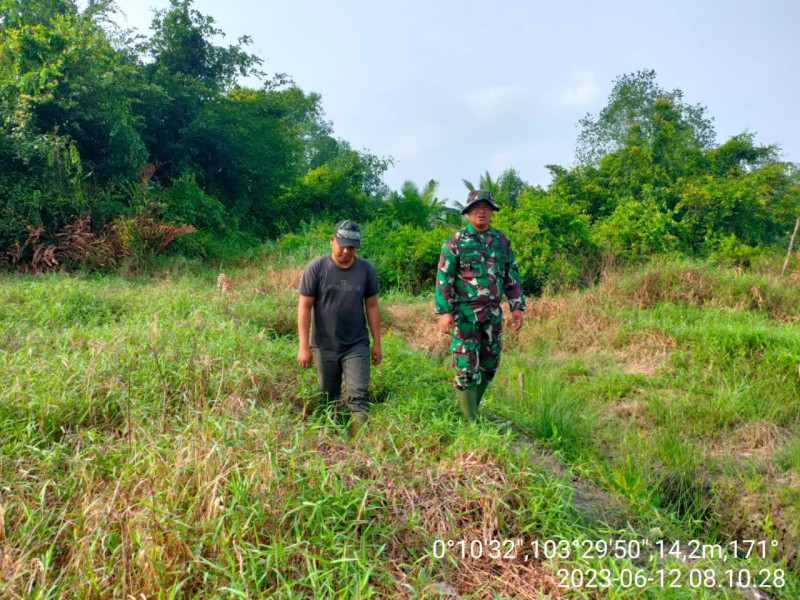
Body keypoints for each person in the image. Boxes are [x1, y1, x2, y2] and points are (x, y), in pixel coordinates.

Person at [435, 190, 525, 421]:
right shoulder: (455, 241)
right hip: (465, 314)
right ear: (468, 212)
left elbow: (510, 275)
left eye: (486, 207)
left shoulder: (501, 241)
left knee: (490, 364)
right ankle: (470, 423)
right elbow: (444, 277)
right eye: (476, 207)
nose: (481, 211)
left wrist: (517, 306)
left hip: (493, 314)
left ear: (492, 211)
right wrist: (444, 312)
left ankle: (471, 411)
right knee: (466, 367)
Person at [297, 220, 382, 434]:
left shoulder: (366, 269)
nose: (346, 251)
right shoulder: (316, 268)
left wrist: (377, 343)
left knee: (358, 397)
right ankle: (330, 441)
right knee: (328, 397)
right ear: (332, 241)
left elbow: (371, 306)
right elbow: (305, 307)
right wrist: (303, 346)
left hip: (356, 343)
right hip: (324, 344)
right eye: (342, 245)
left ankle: (359, 443)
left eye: (352, 247)